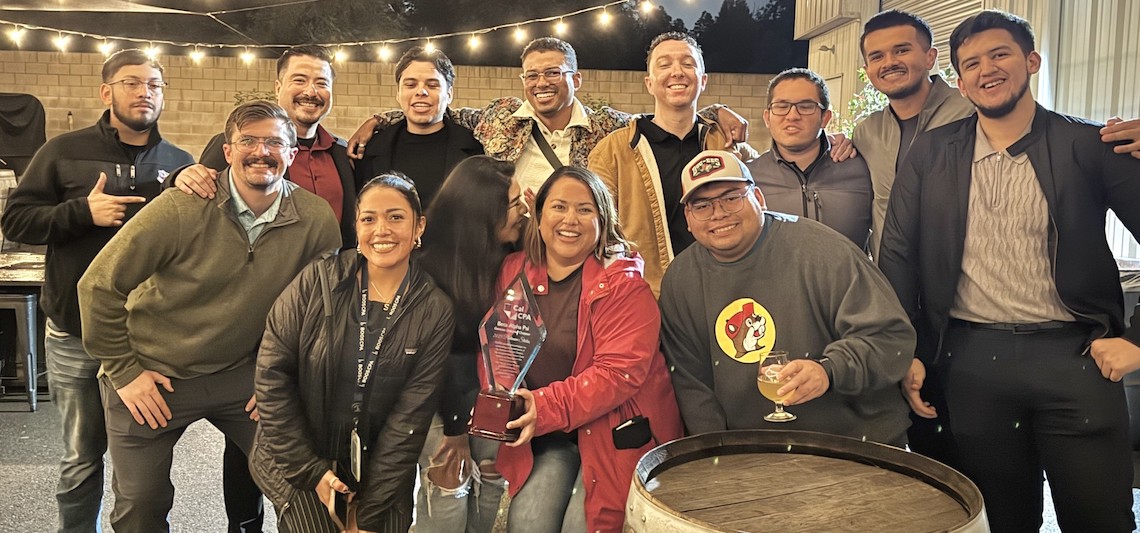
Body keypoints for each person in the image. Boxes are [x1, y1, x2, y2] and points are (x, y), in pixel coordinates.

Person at [878, 10, 1140, 531]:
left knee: (1102, 518)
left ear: (1032, 61)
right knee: (997, 519)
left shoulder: (1090, 146)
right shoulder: (930, 153)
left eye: (1000, 54)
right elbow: (898, 257)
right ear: (957, 78)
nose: (986, 70)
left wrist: (1137, 339)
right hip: (971, 364)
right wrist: (904, 352)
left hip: (1077, 360)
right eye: (971, 62)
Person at [76, 101, 340, 531]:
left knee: (305, 484)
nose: (261, 151)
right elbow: (98, 287)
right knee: (141, 504)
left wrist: (285, 374)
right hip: (153, 374)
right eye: (248, 141)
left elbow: (320, 313)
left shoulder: (313, 219)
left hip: (242, 374)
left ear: (291, 154)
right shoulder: (182, 207)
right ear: (228, 151)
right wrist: (125, 372)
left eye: (275, 141)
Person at [0, 48, 194, 533]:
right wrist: (81, 213)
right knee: (82, 457)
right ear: (106, 91)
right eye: (132, 82)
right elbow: (16, 220)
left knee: (140, 465)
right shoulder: (62, 152)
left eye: (154, 84)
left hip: (145, 339)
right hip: (74, 336)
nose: (144, 93)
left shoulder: (178, 163)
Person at [660, 150, 914, 447]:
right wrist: (718, 456)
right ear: (688, 219)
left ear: (759, 198)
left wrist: (829, 370)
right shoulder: (681, 279)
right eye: (701, 205)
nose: (718, 213)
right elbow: (691, 383)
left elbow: (891, 339)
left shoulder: (823, 252)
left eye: (731, 197)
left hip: (853, 443)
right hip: (750, 455)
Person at [251, 173, 453, 533]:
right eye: (369, 219)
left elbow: (411, 416)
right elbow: (271, 377)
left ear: (418, 225)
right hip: (300, 456)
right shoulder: (318, 281)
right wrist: (312, 472)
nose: (382, 230)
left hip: (381, 463)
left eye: (396, 217)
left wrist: (369, 515)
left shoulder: (433, 308)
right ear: (356, 226)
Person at [493, 166, 683, 533]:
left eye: (585, 209)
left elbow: (618, 375)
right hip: (551, 436)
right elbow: (497, 344)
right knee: (528, 522)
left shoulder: (626, 286)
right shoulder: (513, 271)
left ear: (602, 220)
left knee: (585, 526)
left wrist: (542, 406)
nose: (570, 220)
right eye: (559, 207)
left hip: (616, 433)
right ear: (539, 212)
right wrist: (502, 393)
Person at [347, 37, 751, 194]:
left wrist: (714, 112)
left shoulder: (607, 125)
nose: (542, 83)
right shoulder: (498, 117)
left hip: (578, 253)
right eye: (532, 74)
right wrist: (379, 120)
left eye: (553, 73)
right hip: (508, 254)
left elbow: (664, 114)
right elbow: (434, 106)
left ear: (575, 78)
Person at [589, 32, 760, 296]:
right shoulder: (613, 152)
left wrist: (836, 143)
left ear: (703, 81)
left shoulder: (728, 147)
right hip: (646, 297)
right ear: (649, 82)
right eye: (665, 64)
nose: (677, 72)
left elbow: (775, 172)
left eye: (688, 63)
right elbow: (598, 230)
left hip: (724, 293)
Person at [413, 156, 528, 532]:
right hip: (438, 402)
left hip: (491, 393)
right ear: (482, 214)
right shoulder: (428, 271)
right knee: (450, 483)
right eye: (513, 203)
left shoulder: (512, 255)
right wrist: (457, 430)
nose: (523, 210)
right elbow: (442, 362)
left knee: (492, 479)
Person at [174, 45, 360, 249]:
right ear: (278, 88)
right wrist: (178, 176)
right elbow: (198, 192)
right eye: (299, 80)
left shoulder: (343, 151)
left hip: (333, 275)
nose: (310, 91)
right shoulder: (239, 146)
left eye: (321, 83)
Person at [746, 67, 872, 249]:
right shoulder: (748, 180)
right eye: (781, 107)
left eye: (806, 107)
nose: (792, 116)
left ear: (825, 118)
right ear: (767, 118)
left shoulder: (862, 168)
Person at [353, 47, 483, 208]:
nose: (421, 91)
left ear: (449, 94)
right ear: (398, 93)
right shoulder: (369, 151)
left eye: (432, 85)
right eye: (410, 84)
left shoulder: (478, 151)